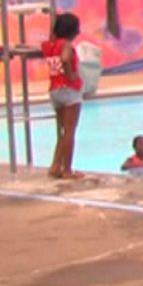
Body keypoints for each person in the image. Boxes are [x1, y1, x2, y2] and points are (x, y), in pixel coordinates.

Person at [43, 13, 85, 180]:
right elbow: (65, 58)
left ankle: (55, 166)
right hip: (69, 90)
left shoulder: (49, 45)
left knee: (64, 132)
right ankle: (67, 170)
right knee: (70, 131)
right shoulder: (66, 44)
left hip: (54, 90)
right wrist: (71, 75)